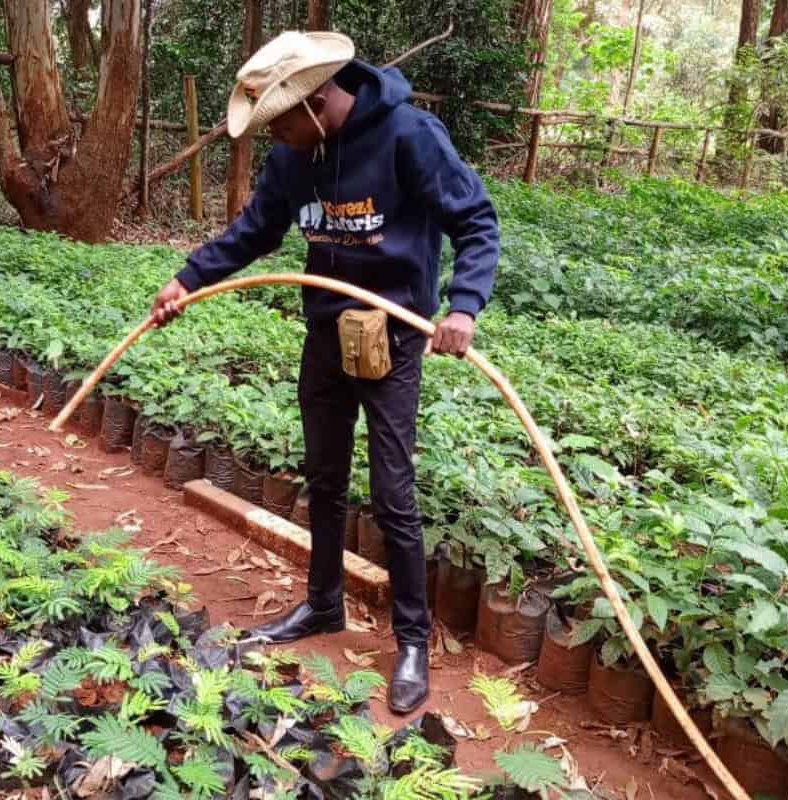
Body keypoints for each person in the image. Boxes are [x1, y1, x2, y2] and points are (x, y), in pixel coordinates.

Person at [151, 30, 499, 714]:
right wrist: (186, 278)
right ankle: (321, 606)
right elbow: (255, 229)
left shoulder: (407, 134)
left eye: (276, 122)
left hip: (393, 333)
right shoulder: (295, 155)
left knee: (393, 493)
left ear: (312, 102)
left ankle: (409, 641)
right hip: (324, 331)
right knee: (323, 477)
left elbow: (476, 221)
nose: (272, 136)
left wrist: (464, 305)